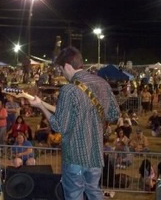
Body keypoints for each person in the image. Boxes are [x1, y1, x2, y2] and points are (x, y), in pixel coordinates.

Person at [29, 47, 119, 200]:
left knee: (74, 195)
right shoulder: (102, 83)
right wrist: (43, 104)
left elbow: (59, 126)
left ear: (68, 66)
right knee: (94, 192)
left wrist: (40, 108)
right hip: (96, 154)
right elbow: (113, 114)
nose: (62, 73)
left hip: (75, 156)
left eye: (61, 69)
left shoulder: (69, 90)